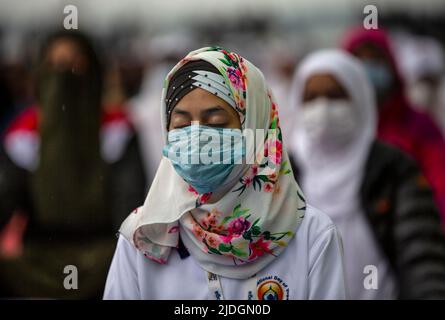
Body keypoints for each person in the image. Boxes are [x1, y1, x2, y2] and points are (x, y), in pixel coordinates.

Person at [103, 46, 347, 300]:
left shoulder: (311, 236)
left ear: (255, 124)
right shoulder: (146, 237)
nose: (197, 137)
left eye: (216, 123)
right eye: (182, 125)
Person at [0, 30, 147, 298]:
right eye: (56, 65)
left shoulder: (116, 131)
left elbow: (129, 204)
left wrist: (124, 254)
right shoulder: (23, 135)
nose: (65, 75)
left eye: (76, 65)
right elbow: (6, 196)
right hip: (35, 261)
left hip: (104, 259)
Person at [288, 49, 445, 299]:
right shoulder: (284, 173)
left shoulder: (391, 168)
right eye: (311, 97)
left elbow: (422, 257)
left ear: (359, 98)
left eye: (335, 95)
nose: (323, 107)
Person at [341, 27, 445, 224]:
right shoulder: (335, 128)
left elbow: (440, 180)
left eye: (376, 59)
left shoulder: (418, 125)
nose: (368, 67)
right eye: (359, 59)